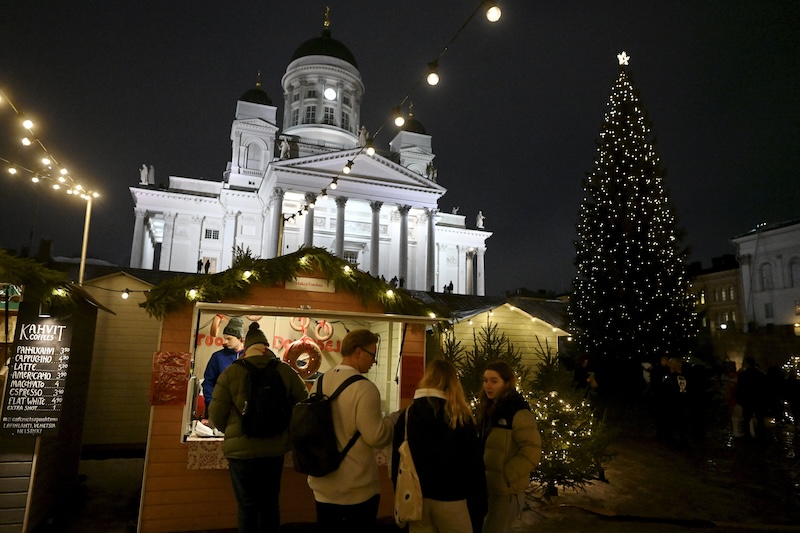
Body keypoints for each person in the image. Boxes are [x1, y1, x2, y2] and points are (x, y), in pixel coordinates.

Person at [209, 322, 308, 532]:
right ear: (265, 346)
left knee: (247, 506)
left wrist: (235, 429)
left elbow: (216, 415)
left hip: (241, 455)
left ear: (247, 347)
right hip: (274, 449)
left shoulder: (231, 372)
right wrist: (285, 427)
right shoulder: (285, 370)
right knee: (270, 504)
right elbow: (304, 403)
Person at [307, 329, 398, 532]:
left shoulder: (319, 382)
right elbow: (377, 437)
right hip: (356, 489)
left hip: (322, 485)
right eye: (372, 355)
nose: (374, 361)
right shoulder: (365, 388)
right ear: (358, 352)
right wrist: (393, 420)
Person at [391, 360, 487, 533]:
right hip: (453, 499)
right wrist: (479, 504)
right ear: (453, 383)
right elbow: (474, 465)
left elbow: (396, 462)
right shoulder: (460, 418)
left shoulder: (406, 417)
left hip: (418, 500)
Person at [478, 361, 541, 533]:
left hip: (507, 491)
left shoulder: (517, 411)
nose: (488, 386)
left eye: (494, 381)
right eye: (485, 380)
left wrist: (507, 475)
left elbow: (532, 451)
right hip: (489, 487)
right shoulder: (490, 409)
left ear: (506, 383)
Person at [203, 317, 245, 417]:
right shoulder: (217, 357)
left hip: (242, 412)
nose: (225, 341)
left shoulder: (249, 357)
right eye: (225, 338)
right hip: (219, 409)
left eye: (229, 338)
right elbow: (208, 382)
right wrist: (211, 402)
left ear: (240, 338)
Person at [736, 357, 767, 440]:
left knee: (746, 418)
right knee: (760, 418)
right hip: (758, 400)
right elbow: (764, 389)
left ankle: (747, 436)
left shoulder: (743, 375)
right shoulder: (760, 375)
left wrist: (739, 400)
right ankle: (761, 435)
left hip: (747, 400)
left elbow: (740, 388)